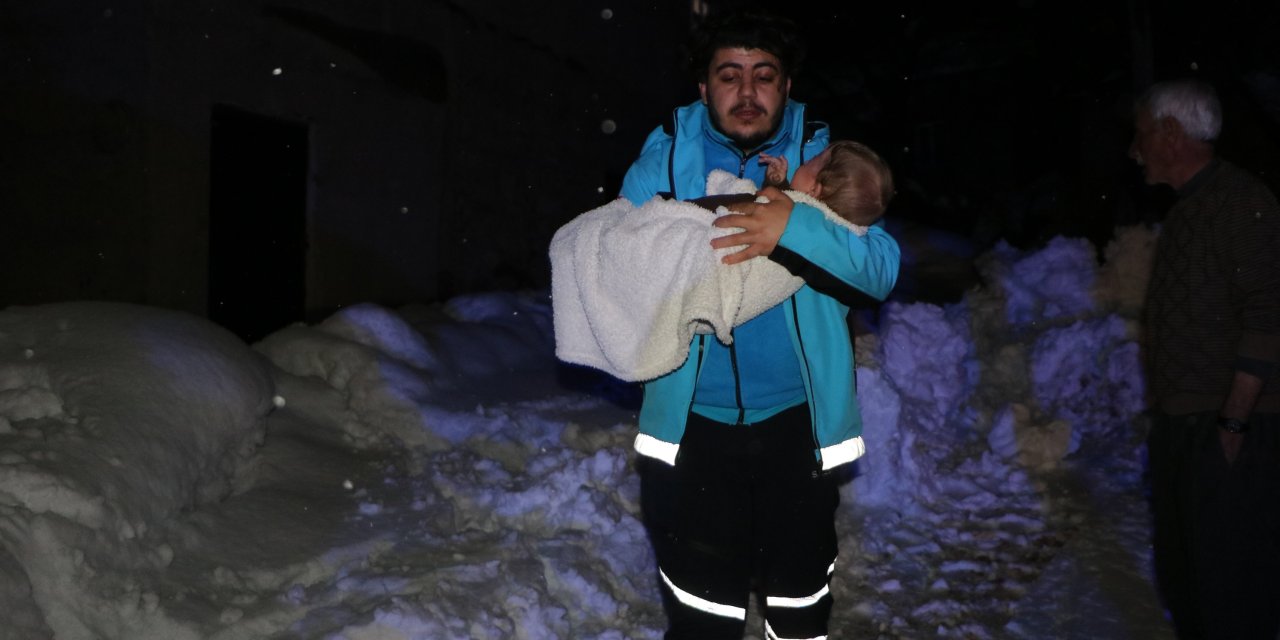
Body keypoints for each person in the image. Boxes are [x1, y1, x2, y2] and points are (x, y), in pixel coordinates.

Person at [617, 9, 900, 640]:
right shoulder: (660, 165)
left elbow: (879, 269)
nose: (747, 93)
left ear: (787, 85)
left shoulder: (824, 160)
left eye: (763, 75)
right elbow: (617, 272)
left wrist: (792, 226)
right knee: (701, 609)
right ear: (703, 87)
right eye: (729, 75)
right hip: (692, 431)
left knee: (799, 604)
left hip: (796, 428)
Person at [1132, 79, 1280, 639]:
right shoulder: (1193, 208)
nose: (1134, 149)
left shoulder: (1241, 203)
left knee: (1231, 584)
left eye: (1141, 134)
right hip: (1185, 424)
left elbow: (1268, 315)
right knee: (1185, 573)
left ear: (1171, 134)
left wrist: (1235, 419)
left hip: (1228, 426)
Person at [759, 140, 895, 227]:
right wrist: (777, 183)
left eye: (811, 160)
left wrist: (773, 189)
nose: (804, 162)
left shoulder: (793, 222)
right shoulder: (830, 233)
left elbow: (767, 206)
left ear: (814, 190)